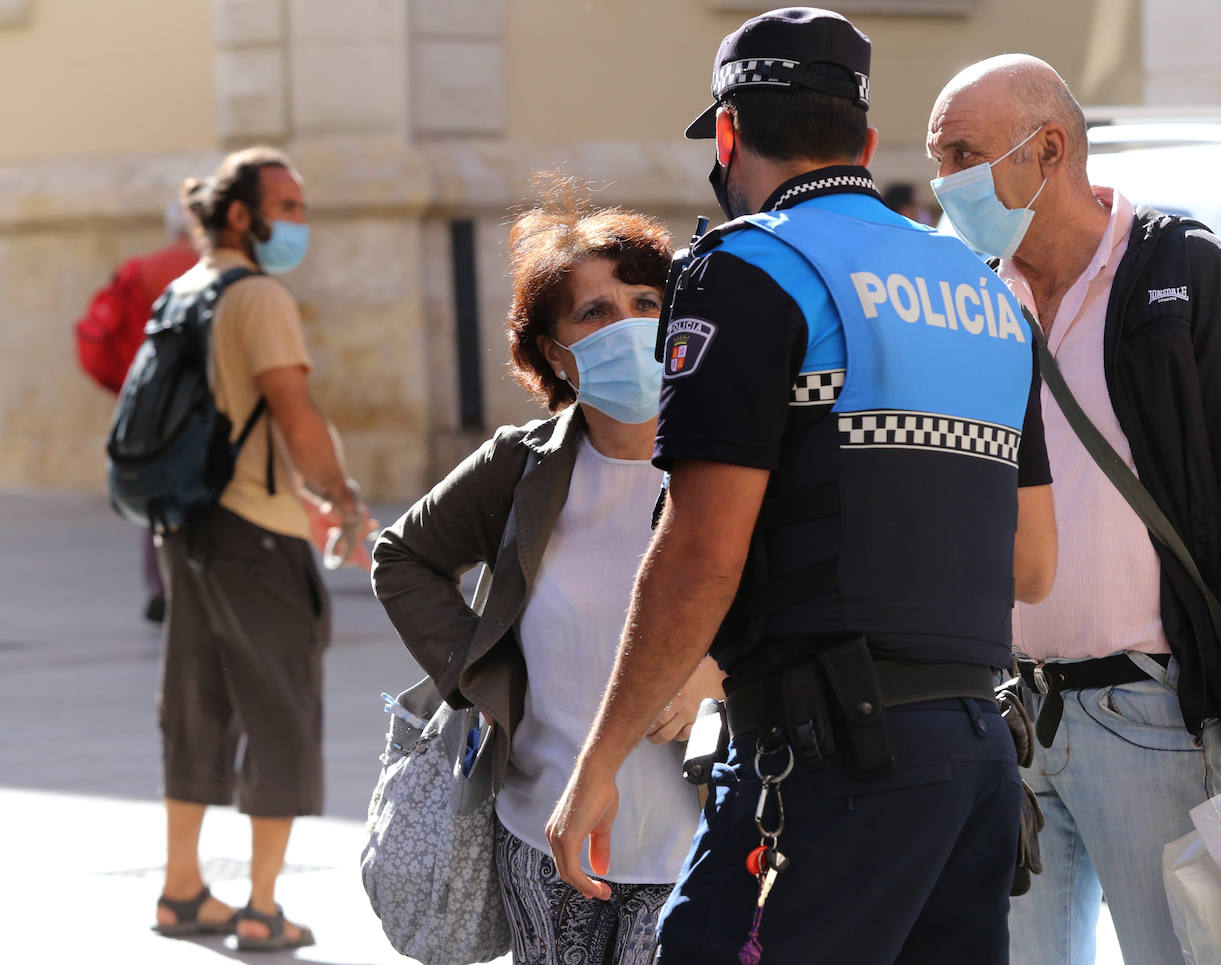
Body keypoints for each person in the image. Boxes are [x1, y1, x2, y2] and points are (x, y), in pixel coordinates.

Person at [546, 9, 1056, 964]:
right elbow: (1032, 565)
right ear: (863, 141)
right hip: (977, 762)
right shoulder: (986, 290)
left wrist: (600, 759)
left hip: (824, 766)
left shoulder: (746, 269)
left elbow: (700, 555)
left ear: (729, 133)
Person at [925, 55, 1221, 965]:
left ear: (1048, 149)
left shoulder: (1186, 273)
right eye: (936, 156)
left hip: (1149, 716)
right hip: (1011, 717)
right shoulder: (966, 294)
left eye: (962, 152)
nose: (942, 181)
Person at [371, 182, 724, 965]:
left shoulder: (730, 462)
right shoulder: (521, 465)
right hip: (541, 830)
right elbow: (402, 557)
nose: (629, 324)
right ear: (554, 353)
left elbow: (817, 595)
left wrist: (724, 674)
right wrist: (485, 679)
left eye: (645, 300)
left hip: (696, 840)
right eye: (595, 311)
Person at [151, 146, 371, 952]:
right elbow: (293, 409)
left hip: (187, 527)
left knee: (195, 702)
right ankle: (263, 905)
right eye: (289, 206)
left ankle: (181, 890)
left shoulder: (184, 288)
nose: (299, 222)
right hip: (256, 533)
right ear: (241, 214)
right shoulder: (259, 294)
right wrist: (341, 496)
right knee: (279, 705)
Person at [74, 198, 199, 623]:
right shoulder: (214, 272)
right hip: (202, 406)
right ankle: (195, 587)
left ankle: (161, 585)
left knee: (158, 498)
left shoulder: (140, 270)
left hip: (147, 402)